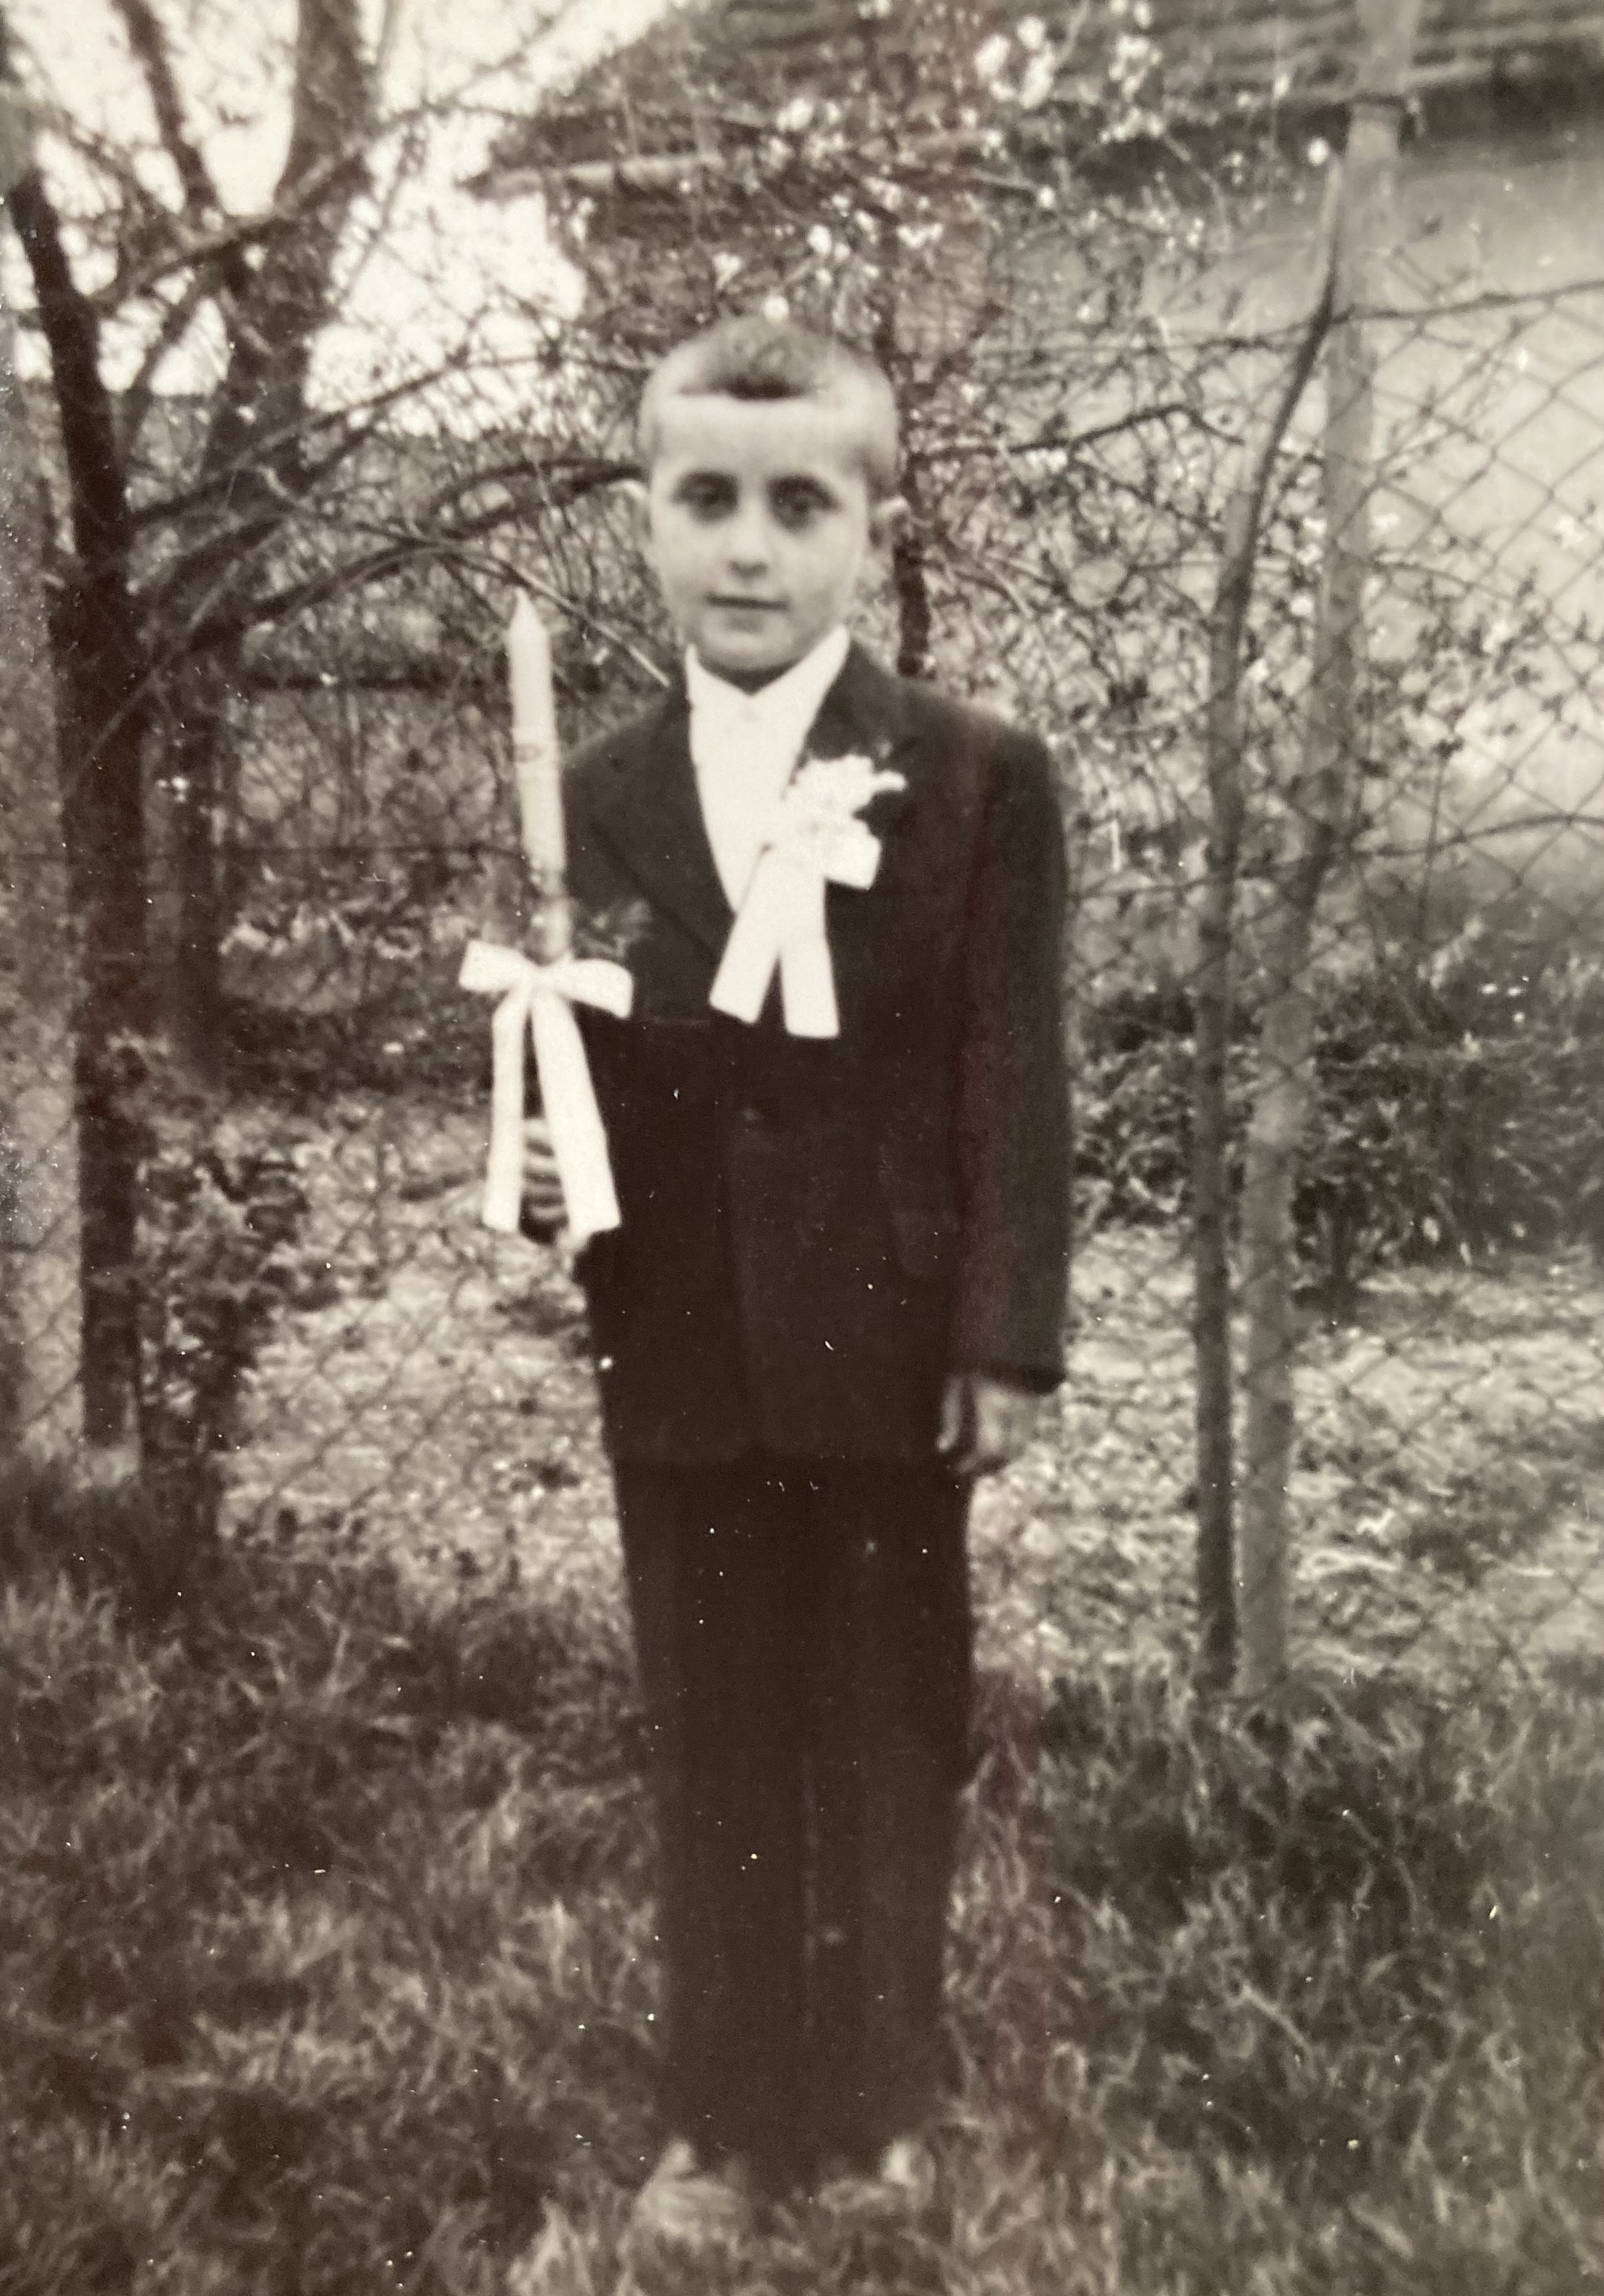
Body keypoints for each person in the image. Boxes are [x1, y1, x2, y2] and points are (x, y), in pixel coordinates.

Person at [519, 314, 1069, 2259]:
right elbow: (575, 1070)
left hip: (888, 1343)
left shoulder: (978, 778)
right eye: (707, 501)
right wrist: (543, 1148)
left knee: (883, 1723)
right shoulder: (592, 790)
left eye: (799, 507)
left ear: (875, 532)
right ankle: (724, 2114)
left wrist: (1005, 1337)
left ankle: (880, 2103)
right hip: (678, 1340)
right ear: (645, 522)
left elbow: (1012, 1073)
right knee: (718, 1729)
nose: (749, 548)